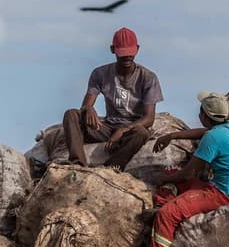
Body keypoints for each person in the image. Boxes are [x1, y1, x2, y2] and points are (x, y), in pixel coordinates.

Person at [124, 91, 229, 247]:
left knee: (167, 213)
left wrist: (160, 179)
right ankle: (162, 208)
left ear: (204, 115)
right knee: (173, 178)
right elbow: (205, 132)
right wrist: (173, 135)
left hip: (222, 193)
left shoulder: (212, 138)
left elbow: (189, 173)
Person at [60, 27, 163, 171]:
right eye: (123, 53)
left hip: (131, 130)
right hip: (107, 127)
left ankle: (111, 167)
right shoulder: (100, 73)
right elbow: (87, 103)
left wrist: (123, 130)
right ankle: (78, 164)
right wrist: (88, 108)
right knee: (71, 114)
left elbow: (149, 118)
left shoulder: (148, 77)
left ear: (137, 49)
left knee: (142, 133)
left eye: (130, 53)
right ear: (112, 49)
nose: (127, 57)